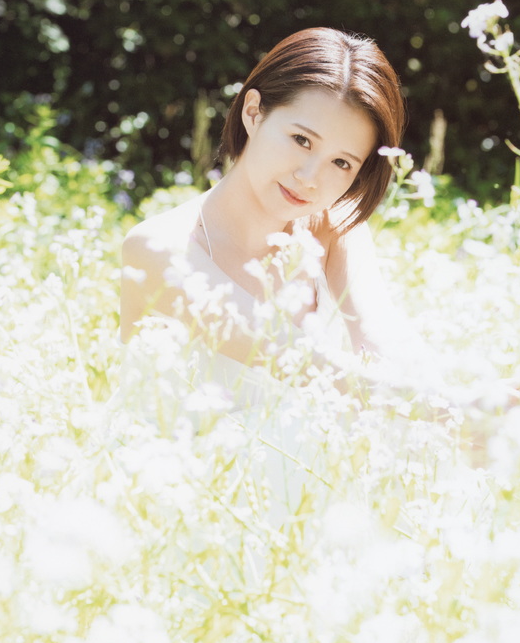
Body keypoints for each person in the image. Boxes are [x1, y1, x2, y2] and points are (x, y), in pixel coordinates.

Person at [120, 27, 414, 388]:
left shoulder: (335, 229)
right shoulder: (159, 248)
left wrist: (459, 399)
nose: (309, 178)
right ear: (253, 113)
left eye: (341, 163)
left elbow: (385, 341)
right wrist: (442, 406)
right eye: (301, 140)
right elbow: (304, 364)